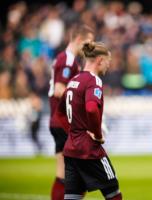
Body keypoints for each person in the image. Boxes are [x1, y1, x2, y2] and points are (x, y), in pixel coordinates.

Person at [55, 42, 122, 200]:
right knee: (113, 192)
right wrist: (97, 134)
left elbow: (60, 113)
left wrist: (73, 132)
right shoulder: (94, 81)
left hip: (71, 149)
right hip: (89, 149)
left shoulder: (73, 80)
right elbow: (91, 108)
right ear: (99, 60)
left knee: (73, 196)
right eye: (107, 61)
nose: (108, 66)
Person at [48, 24, 94, 200]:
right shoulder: (68, 60)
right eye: (88, 42)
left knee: (63, 173)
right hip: (64, 122)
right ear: (79, 39)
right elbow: (60, 90)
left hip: (56, 121)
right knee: (81, 171)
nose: (90, 47)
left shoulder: (64, 59)